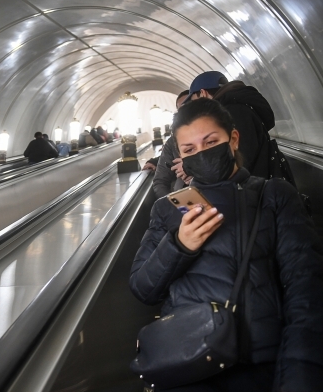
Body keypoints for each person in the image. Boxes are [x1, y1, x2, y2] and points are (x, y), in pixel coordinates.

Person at [130, 98, 323, 391]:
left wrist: (298, 379)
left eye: (211, 141)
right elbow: (143, 288)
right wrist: (180, 245)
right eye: (190, 149)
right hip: (187, 362)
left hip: (258, 367)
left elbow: (306, 290)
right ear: (180, 156)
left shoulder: (273, 195)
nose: (202, 153)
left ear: (233, 139)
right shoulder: (169, 208)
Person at [184, 70, 274, 179]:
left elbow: (240, 161)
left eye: (195, 101)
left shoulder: (233, 112)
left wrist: (192, 168)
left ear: (203, 93)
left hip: (257, 189)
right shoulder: (237, 106)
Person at [145, 90, 191, 198]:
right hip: (183, 200)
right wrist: (173, 207)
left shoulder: (210, 138)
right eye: (181, 109)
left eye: (189, 105)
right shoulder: (172, 142)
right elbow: (160, 181)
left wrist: (193, 168)